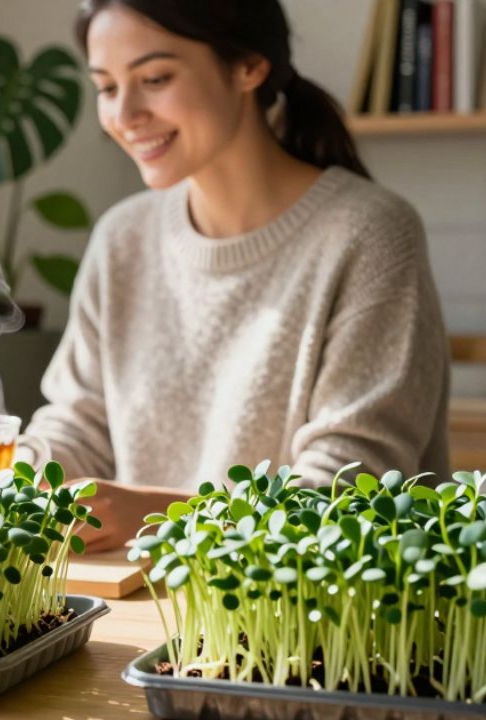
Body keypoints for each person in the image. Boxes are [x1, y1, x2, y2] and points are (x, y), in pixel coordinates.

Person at [25, 0, 449, 553]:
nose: (124, 115)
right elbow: (79, 427)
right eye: (106, 87)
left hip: (319, 623)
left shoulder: (369, 234)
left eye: (154, 78)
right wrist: (4, 478)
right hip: (150, 611)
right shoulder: (122, 237)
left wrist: (155, 513)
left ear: (249, 66)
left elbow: (349, 493)